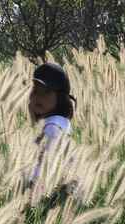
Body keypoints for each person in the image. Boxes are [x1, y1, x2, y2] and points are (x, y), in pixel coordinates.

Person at [25, 62, 77, 190]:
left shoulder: (52, 129)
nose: (38, 97)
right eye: (35, 91)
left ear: (60, 97)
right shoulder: (61, 124)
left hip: (49, 199)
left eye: (46, 92)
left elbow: (41, 175)